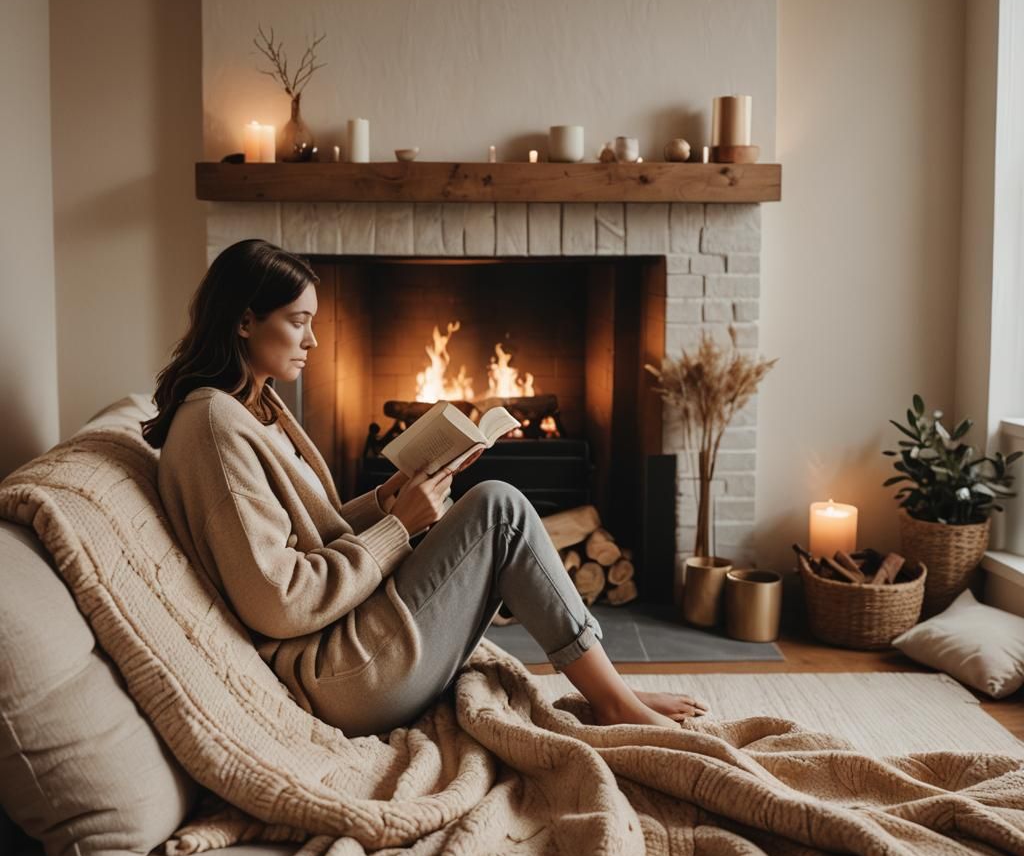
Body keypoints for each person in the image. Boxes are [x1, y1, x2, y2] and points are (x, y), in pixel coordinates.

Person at [146, 239, 709, 738]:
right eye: (298, 321)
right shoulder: (216, 426)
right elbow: (280, 600)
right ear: (244, 322)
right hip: (339, 677)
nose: (314, 341)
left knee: (494, 507)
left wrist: (389, 499)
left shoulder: (253, 406)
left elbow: (307, 538)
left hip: (350, 641)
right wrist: (398, 528)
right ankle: (613, 701)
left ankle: (615, 695)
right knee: (500, 510)